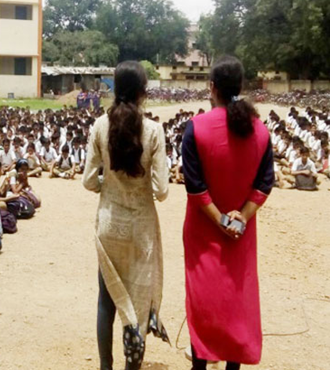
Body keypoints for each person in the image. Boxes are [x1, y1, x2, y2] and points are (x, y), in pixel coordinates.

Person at [181, 56, 274, 370]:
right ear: (240, 86)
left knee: (203, 300)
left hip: (203, 232)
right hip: (240, 234)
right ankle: (233, 366)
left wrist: (219, 219)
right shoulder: (261, 131)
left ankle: (200, 364)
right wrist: (241, 217)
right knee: (237, 301)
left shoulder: (196, 128)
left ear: (212, 87)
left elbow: (195, 187)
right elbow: (265, 183)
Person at [82, 61, 169, 370]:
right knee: (138, 301)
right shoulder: (154, 131)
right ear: (143, 91)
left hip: (109, 224)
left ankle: (105, 366)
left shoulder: (99, 126)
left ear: (115, 88)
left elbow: (88, 180)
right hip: (141, 229)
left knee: (106, 300)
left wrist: (108, 186)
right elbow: (161, 190)